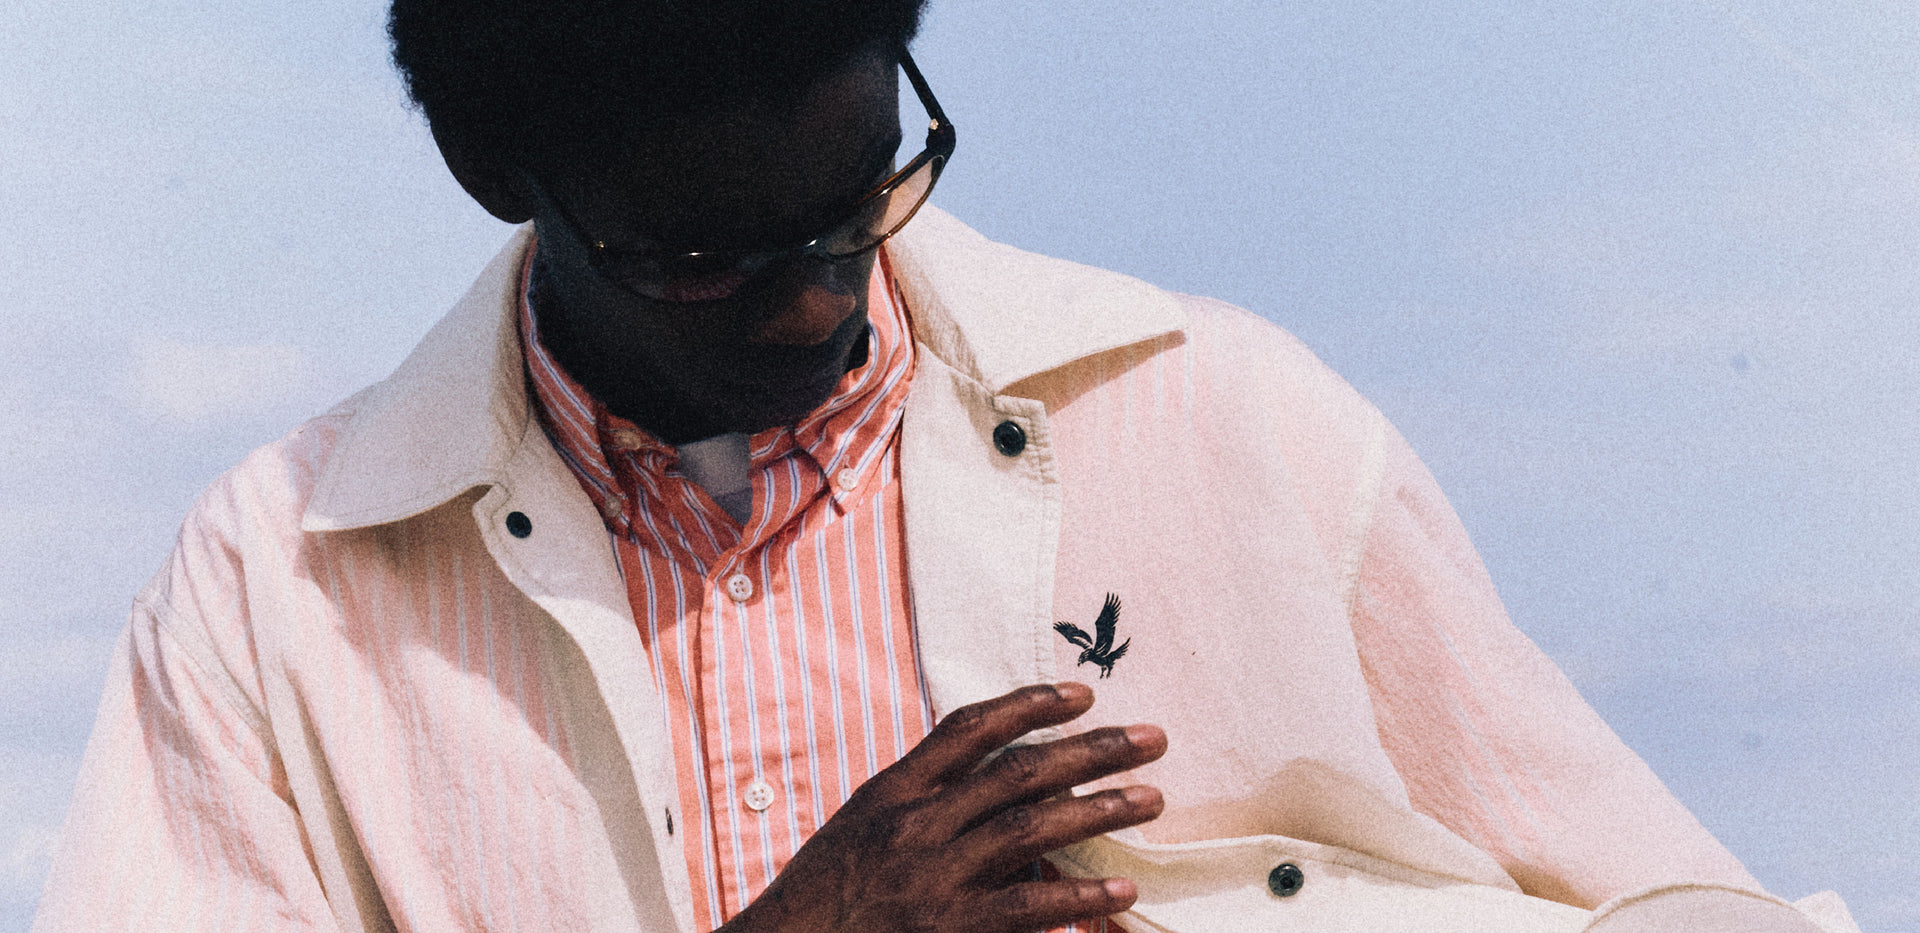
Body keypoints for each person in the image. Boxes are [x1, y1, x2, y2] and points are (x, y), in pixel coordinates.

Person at [34, 2, 1859, 932]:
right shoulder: (272, 592)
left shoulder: (1239, 421)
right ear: (496, 178)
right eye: (707, 257)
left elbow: (1675, 905)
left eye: (862, 196)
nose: (814, 298)